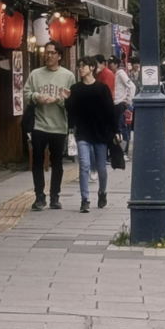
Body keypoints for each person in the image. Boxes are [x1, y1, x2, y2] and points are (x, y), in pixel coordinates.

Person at [24, 41, 74, 210]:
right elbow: (25, 94)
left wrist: (58, 99)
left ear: (59, 56)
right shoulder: (35, 74)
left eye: (53, 53)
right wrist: (36, 96)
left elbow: (72, 101)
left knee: (57, 163)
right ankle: (39, 196)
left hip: (59, 126)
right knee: (37, 162)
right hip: (39, 125)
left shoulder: (68, 76)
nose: (49, 55)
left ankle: (55, 196)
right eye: (47, 53)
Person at [69, 58, 117, 211]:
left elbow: (110, 111)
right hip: (83, 132)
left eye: (83, 66)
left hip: (100, 132)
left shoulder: (102, 89)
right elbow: (72, 111)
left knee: (101, 167)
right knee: (84, 165)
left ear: (92, 68)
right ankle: (85, 199)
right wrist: (67, 101)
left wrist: (116, 130)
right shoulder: (75, 89)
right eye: (79, 66)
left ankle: (102, 192)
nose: (80, 68)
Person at [113, 55, 135, 156]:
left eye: (111, 63)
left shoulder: (121, 74)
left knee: (122, 128)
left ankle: (124, 151)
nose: (109, 65)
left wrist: (128, 101)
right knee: (120, 128)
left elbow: (132, 86)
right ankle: (121, 151)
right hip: (116, 104)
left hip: (120, 103)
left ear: (116, 65)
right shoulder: (114, 74)